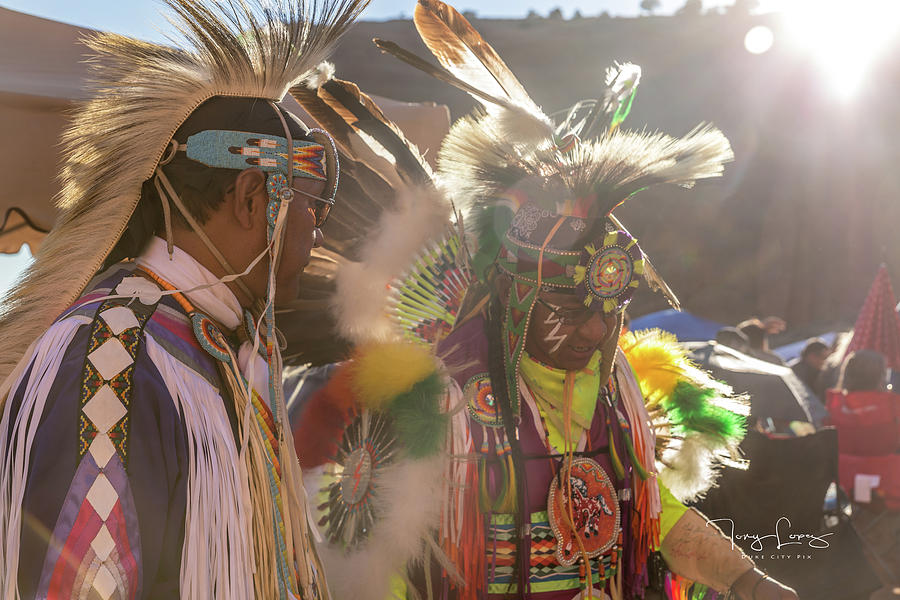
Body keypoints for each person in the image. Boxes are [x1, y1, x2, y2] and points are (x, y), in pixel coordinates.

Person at [297, 2, 799, 598]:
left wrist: (744, 575)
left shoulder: (615, 394)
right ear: (516, 299)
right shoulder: (435, 402)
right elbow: (377, 560)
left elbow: (651, 510)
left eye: (610, 311)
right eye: (570, 309)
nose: (594, 331)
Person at [0, 0, 368, 597]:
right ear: (253, 198)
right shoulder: (112, 356)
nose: (317, 230)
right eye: (312, 205)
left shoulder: (205, 346)